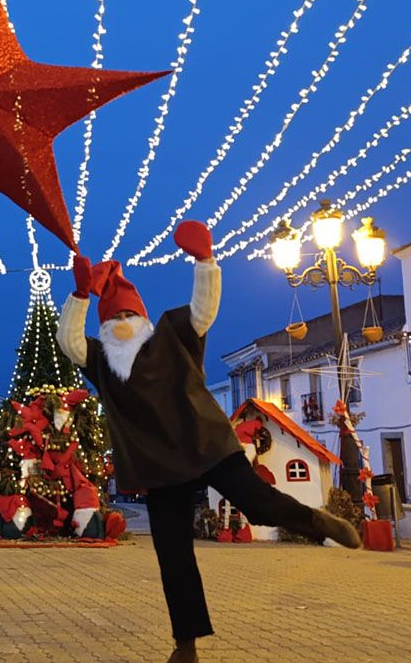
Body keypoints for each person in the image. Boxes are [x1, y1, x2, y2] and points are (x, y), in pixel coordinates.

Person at [56, 221, 361, 663]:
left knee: (256, 501)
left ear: (142, 319)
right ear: (104, 327)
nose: (122, 322)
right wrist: (80, 296)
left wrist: (205, 261)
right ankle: (186, 646)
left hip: (204, 440)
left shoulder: (171, 336)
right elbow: (69, 343)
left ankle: (318, 524)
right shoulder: (103, 361)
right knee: (173, 554)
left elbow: (203, 311)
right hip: (160, 467)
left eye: (128, 315)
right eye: (114, 317)